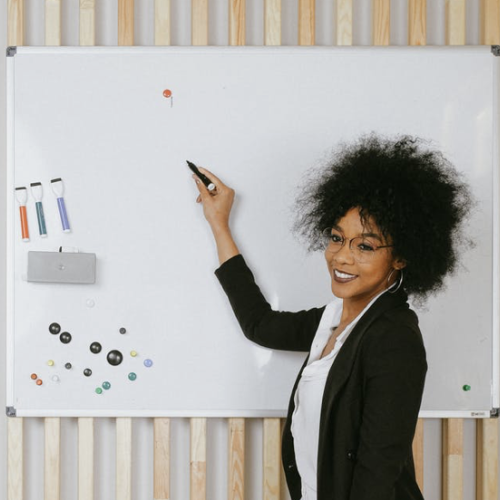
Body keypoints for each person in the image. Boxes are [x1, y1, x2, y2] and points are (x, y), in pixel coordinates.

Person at [191, 134, 472, 500]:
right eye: (337, 238)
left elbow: (377, 471)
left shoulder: (393, 338)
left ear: (401, 257)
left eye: (365, 246)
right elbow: (259, 324)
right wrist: (219, 224)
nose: (341, 257)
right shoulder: (331, 320)